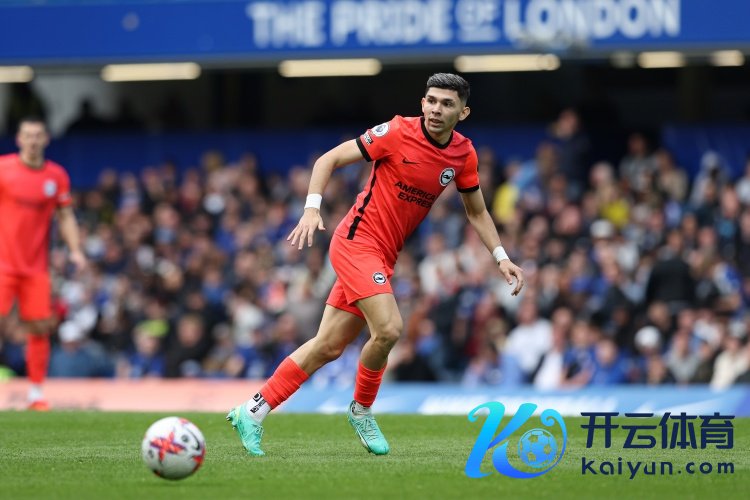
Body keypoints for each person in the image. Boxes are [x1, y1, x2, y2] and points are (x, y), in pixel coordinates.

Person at [226, 73, 524, 456]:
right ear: (422, 103)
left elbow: (477, 211)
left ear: (462, 113)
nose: (437, 109)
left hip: (384, 255)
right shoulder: (397, 132)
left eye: (447, 104)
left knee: (327, 346)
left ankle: (251, 411)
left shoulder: (463, 154)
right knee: (389, 329)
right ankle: (362, 409)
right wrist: (312, 208)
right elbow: (329, 159)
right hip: (356, 242)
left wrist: (501, 257)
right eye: (432, 100)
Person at [0, 117, 86, 410]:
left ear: (46, 139)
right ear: (19, 139)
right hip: (3, 263)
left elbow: (65, 215)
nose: (33, 140)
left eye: (38, 135)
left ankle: (36, 393)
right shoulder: (4, 169)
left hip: (36, 266)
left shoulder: (56, 176)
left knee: (39, 326)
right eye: (28, 135)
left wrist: (75, 250)